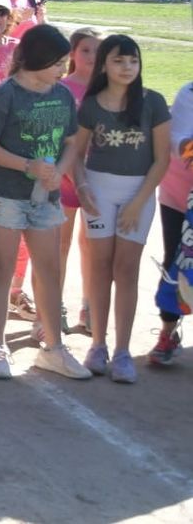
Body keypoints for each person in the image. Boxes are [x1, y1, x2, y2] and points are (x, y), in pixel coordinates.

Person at [0, 24, 90, 380]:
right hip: (3, 196)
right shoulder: (3, 96)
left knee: (49, 270)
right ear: (35, 59)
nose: (62, 70)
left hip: (45, 198)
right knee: (3, 269)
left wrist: (61, 171)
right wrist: (28, 165)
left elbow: (71, 141)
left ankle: (53, 347)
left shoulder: (63, 95)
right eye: (57, 63)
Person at [65, 35, 170, 383]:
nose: (127, 68)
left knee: (127, 270)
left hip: (137, 194)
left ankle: (123, 351)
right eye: (118, 61)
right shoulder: (92, 104)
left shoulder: (152, 102)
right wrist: (82, 188)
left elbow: (162, 160)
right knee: (100, 266)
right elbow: (76, 156)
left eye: (133, 61)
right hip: (98, 191)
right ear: (104, 65)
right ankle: (98, 344)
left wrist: (137, 202)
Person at [58, 27, 105, 334]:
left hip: (98, 177)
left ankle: (88, 306)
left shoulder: (109, 90)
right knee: (57, 245)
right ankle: (53, 306)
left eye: (98, 51)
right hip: (63, 178)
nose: (92, 56)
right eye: (86, 49)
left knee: (92, 244)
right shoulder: (61, 88)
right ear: (73, 54)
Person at [153, 80, 193, 366]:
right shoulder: (189, 93)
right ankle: (168, 331)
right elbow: (180, 140)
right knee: (176, 262)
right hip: (179, 196)